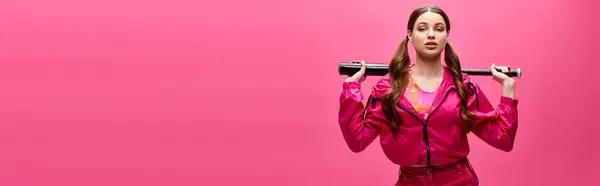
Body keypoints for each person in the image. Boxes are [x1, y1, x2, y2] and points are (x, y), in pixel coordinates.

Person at [338, 4, 519, 186]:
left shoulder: (464, 87)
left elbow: (503, 139)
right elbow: (357, 140)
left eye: (439, 29)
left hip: (458, 181)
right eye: (422, 28)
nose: (431, 34)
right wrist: (351, 88)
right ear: (410, 35)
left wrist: (508, 88)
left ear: (447, 36)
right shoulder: (387, 89)